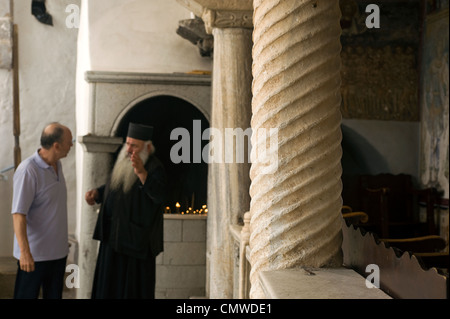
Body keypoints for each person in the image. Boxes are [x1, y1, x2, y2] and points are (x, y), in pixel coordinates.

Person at [85, 123, 167, 299]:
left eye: (134, 145)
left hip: (135, 244)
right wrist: (98, 193)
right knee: (108, 288)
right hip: (112, 239)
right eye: (128, 143)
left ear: (148, 147)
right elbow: (115, 187)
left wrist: (141, 173)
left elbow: (159, 196)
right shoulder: (123, 160)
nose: (129, 149)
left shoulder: (154, 167)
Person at [11, 122, 73, 299]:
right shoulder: (28, 170)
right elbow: (18, 214)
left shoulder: (57, 165)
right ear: (56, 145)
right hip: (34, 256)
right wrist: (25, 253)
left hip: (58, 254)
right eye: (69, 141)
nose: (71, 145)